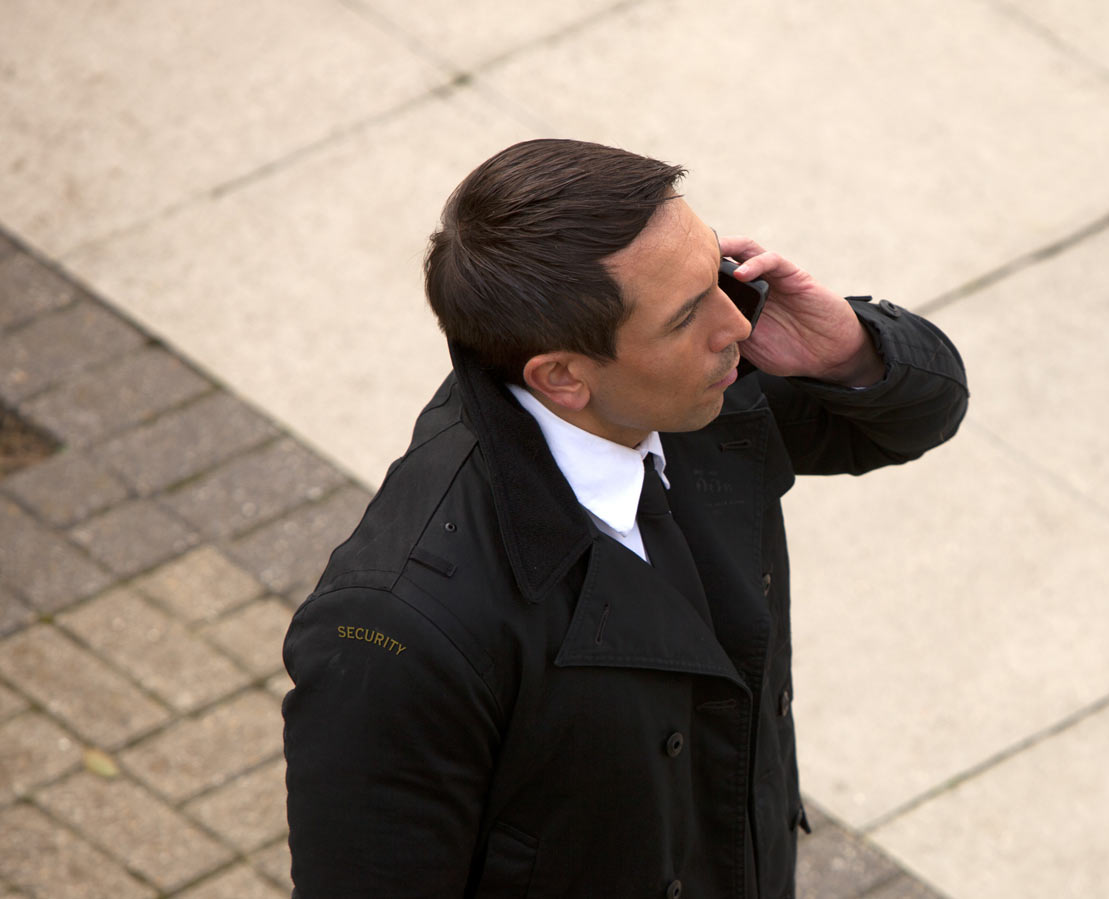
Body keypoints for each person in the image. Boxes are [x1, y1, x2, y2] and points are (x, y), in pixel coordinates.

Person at [281, 138, 967, 898]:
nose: (737, 325)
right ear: (564, 376)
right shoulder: (401, 626)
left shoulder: (701, 392)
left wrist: (846, 351)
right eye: (685, 316)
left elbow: (909, 420)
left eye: (719, 273)